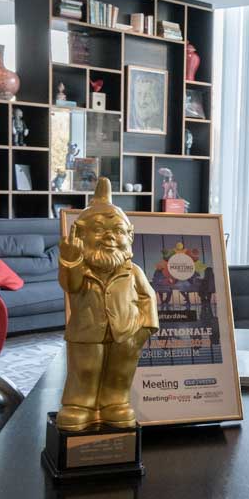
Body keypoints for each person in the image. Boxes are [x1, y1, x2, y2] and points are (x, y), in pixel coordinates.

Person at [57, 178, 159, 430]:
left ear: (130, 235)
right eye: (99, 230)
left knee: (120, 372)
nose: (110, 237)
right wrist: (70, 261)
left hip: (126, 332)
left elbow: (149, 297)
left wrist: (145, 329)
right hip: (86, 333)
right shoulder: (81, 269)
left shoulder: (132, 271)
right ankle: (80, 405)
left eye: (118, 230)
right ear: (81, 234)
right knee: (85, 369)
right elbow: (70, 285)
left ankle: (116, 403)